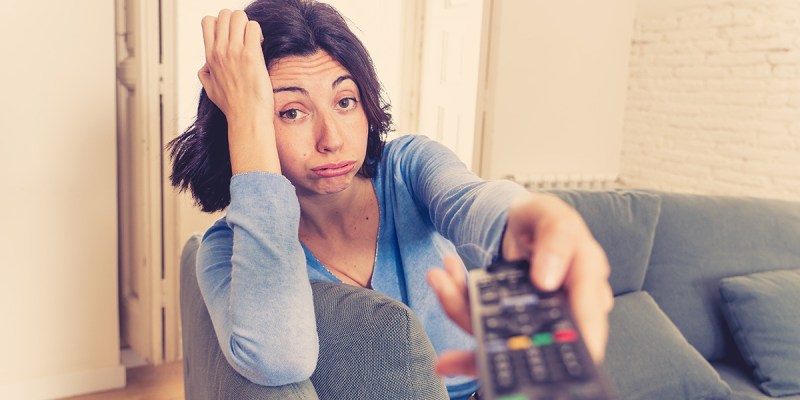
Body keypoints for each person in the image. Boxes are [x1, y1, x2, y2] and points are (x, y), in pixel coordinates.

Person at [167, 0, 613, 398]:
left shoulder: (408, 166)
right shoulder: (224, 251)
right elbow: (279, 358)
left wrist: (532, 215)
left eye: (345, 101)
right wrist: (244, 115)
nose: (332, 139)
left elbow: (472, 199)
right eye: (291, 112)